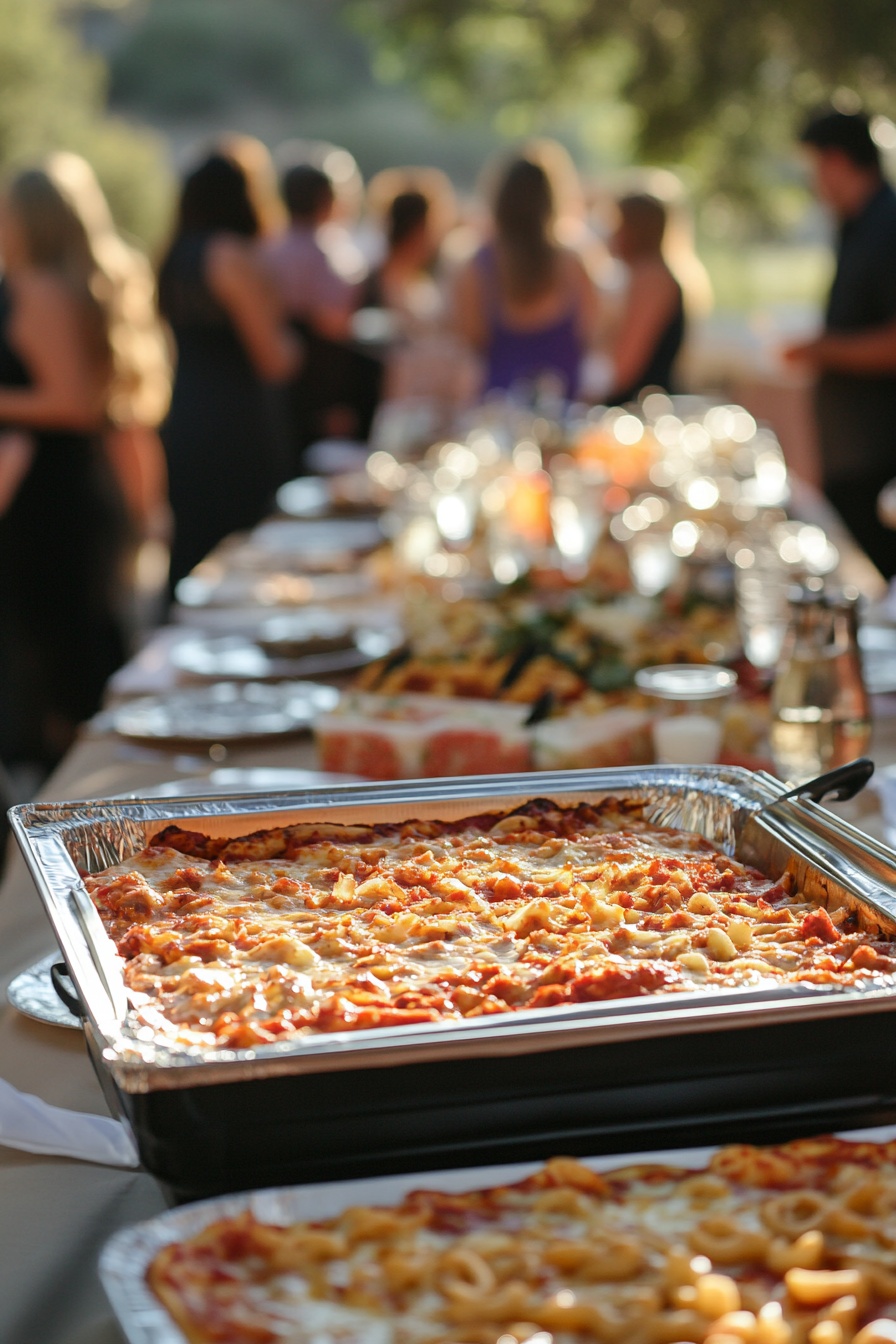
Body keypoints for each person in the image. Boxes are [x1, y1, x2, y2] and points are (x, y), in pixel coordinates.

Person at [0, 155, 148, 768]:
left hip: (48, 498)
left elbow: (73, 402)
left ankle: (83, 813)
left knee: (60, 659)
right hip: (67, 489)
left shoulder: (39, 291)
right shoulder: (72, 285)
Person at [159, 150, 300, 590]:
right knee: (244, 563)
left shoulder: (174, 254)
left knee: (193, 558)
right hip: (236, 424)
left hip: (183, 415)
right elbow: (274, 359)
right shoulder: (231, 255)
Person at [783, 107, 896, 579]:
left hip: (878, 448)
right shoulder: (858, 224)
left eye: (813, 168)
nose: (812, 183)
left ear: (834, 161)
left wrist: (819, 350)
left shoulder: (887, 225)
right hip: (856, 447)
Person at [454, 156, 599, 403]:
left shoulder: (477, 265)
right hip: (564, 408)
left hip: (498, 408)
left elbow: (472, 339)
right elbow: (591, 332)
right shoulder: (574, 261)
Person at [263, 163, 381, 464]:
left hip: (276, 393)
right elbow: (337, 323)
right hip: (322, 391)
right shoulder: (332, 257)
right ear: (328, 200)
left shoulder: (267, 251)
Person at [602, 193, 685, 404]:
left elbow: (623, 368)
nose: (609, 234)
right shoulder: (643, 275)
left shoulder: (651, 279)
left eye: (616, 225)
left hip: (640, 410)